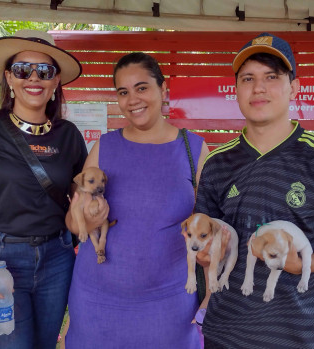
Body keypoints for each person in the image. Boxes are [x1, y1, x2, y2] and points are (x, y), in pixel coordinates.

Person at [194, 32, 314, 348]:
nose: (258, 87)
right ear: (236, 90)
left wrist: (303, 263)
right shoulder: (217, 163)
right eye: (248, 78)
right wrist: (207, 253)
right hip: (225, 333)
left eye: (271, 77)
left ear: (294, 87)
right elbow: (208, 244)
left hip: (297, 335)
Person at [0, 30, 91, 349]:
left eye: (45, 71)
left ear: (55, 83)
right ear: (9, 78)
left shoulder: (69, 136)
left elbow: (84, 201)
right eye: (23, 69)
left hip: (57, 259)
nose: (34, 78)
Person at [64, 52, 210, 349]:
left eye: (142, 88)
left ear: (163, 89)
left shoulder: (193, 149)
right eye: (123, 92)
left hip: (169, 303)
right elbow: (72, 220)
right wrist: (85, 220)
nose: (133, 100)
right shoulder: (103, 146)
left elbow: (208, 226)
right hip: (97, 300)